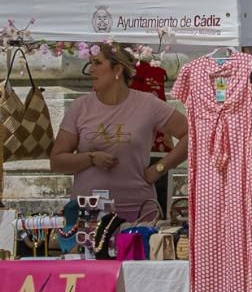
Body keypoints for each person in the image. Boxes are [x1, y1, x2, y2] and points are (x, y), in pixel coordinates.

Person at [49, 43, 188, 227]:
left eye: (97, 63)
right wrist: (90, 158)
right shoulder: (80, 107)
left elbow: (191, 133)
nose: (91, 70)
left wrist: (159, 169)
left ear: (117, 69)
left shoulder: (148, 104)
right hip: (87, 218)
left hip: (138, 215)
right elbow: (57, 161)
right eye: (90, 63)